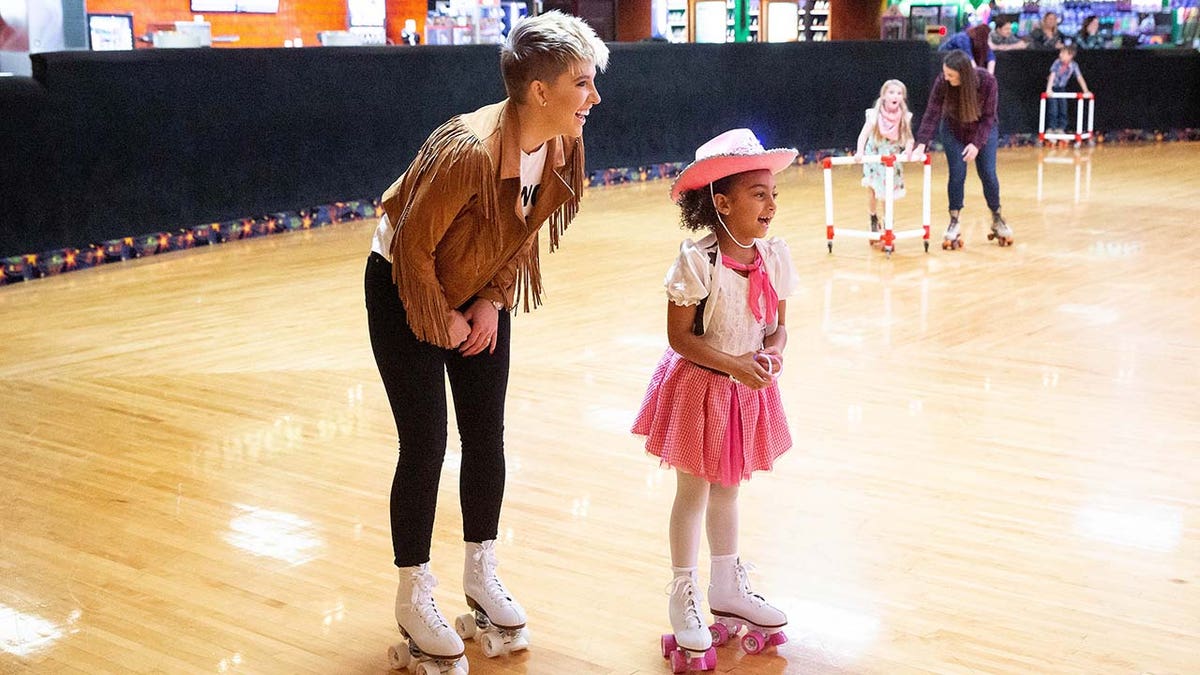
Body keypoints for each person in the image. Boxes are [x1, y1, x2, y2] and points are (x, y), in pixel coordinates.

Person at [363, 11, 608, 671]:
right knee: (426, 441)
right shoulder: (469, 149)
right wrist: (440, 314)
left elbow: (520, 230)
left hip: (473, 286)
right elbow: (412, 243)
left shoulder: (562, 143)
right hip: (402, 283)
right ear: (539, 92)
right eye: (582, 84)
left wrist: (493, 298)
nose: (594, 98)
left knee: (487, 432)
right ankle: (414, 592)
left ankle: (480, 571)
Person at [632, 128, 799, 664]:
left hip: (745, 388)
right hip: (700, 388)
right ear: (721, 203)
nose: (771, 203)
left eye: (773, 192)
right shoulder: (697, 261)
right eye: (758, 193)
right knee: (694, 491)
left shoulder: (772, 257)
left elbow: (777, 328)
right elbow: (680, 338)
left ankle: (726, 586)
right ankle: (683, 590)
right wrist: (737, 366)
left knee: (729, 488)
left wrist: (772, 354)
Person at [912, 49, 1013, 249]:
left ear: (964, 74)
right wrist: (921, 143)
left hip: (983, 130)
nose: (946, 78)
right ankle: (954, 220)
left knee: (988, 174)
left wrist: (976, 144)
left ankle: (997, 216)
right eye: (945, 74)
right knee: (957, 175)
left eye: (951, 75)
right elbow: (932, 111)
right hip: (953, 130)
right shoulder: (943, 82)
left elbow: (988, 118)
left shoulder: (987, 82)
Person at [854, 79, 915, 239]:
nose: (895, 96)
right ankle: (873, 218)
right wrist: (860, 152)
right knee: (873, 191)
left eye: (899, 93)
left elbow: (909, 138)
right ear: (884, 96)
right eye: (891, 92)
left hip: (891, 158)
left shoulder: (904, 117)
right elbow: (863, 135)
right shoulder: (874, 115)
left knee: (887, 194)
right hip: (874, 155)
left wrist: (908, 150)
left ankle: (888, 224)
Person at [1045, 43, 1090, 133]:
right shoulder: (1057, 62)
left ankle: (1061, 128)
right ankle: (1051, 128)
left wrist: (1086, 91)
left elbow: (1079, 77)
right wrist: (1048, 89)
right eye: (1060, 52)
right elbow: (1052, 75)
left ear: (1070, 56)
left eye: (1063, 53)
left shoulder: (1074, 65)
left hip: (1062, 88)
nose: (1060, 55)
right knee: (1053, 109)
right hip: (1053, 87)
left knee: (1063, 108)